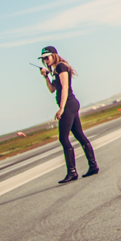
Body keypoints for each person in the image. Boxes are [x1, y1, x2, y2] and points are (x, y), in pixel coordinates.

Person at [40, 46, 98, 183]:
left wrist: (61, 108)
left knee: (63, 138)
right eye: (43, 59)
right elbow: (52, 90)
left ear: (54, 55)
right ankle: (93, 166)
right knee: (79, 135)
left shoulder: (61, 67)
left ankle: (72, 172)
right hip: (69, 105)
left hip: (69, 105)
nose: (45, 60)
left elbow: (65, 87)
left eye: (47, 57)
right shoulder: (55, 70)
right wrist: (46, 77)